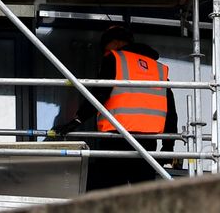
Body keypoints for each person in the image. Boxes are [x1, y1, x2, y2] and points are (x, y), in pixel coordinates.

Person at [53, 23, 178, 192]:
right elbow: (170, 112)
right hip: (147, 146)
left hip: (116, 140)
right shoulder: (159, 70)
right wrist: (168, 148)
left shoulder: (115, 59)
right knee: (143, 200)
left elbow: (99, 95)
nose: (105, 53)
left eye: (105, 48)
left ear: (117, 43)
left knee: (105, 196)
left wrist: (76, 120)